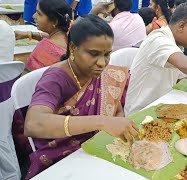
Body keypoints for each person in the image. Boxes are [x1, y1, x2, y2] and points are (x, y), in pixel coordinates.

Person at [24, 14, 138, 179]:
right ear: (73, 48)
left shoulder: (102, 73)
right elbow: (33, 123)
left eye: (107, 54)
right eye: (93, 53)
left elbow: (116, 109)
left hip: (98, 150)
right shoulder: (55, 78)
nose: (102, 62)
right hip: (62, 160)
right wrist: (103, 122)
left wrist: (113, 133)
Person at [124, 3, 187, 116]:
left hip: (162, 109)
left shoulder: (177, 46)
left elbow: (182, 79)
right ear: (181, 26)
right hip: (140, 113)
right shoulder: (159, 39)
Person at [15, 0, 72, 73]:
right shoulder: (71, 35)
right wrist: (28, 34)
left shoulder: (44, 48)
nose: (34, 16)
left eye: (39, 14)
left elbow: (26, 80)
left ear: (54, 22)